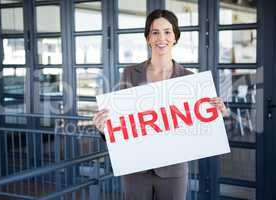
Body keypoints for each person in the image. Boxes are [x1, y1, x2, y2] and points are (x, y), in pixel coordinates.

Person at [93, 9, 228, 200]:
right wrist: (104, 128)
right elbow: (121, 121)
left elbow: (199, 126)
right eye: (155, 32)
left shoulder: (189, 79)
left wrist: (217, 115)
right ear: (148, 38)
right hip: (136, 169)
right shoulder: (130, 73)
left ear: (175, 37)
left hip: (173, 172)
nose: (161, 38)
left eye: (167, 31)